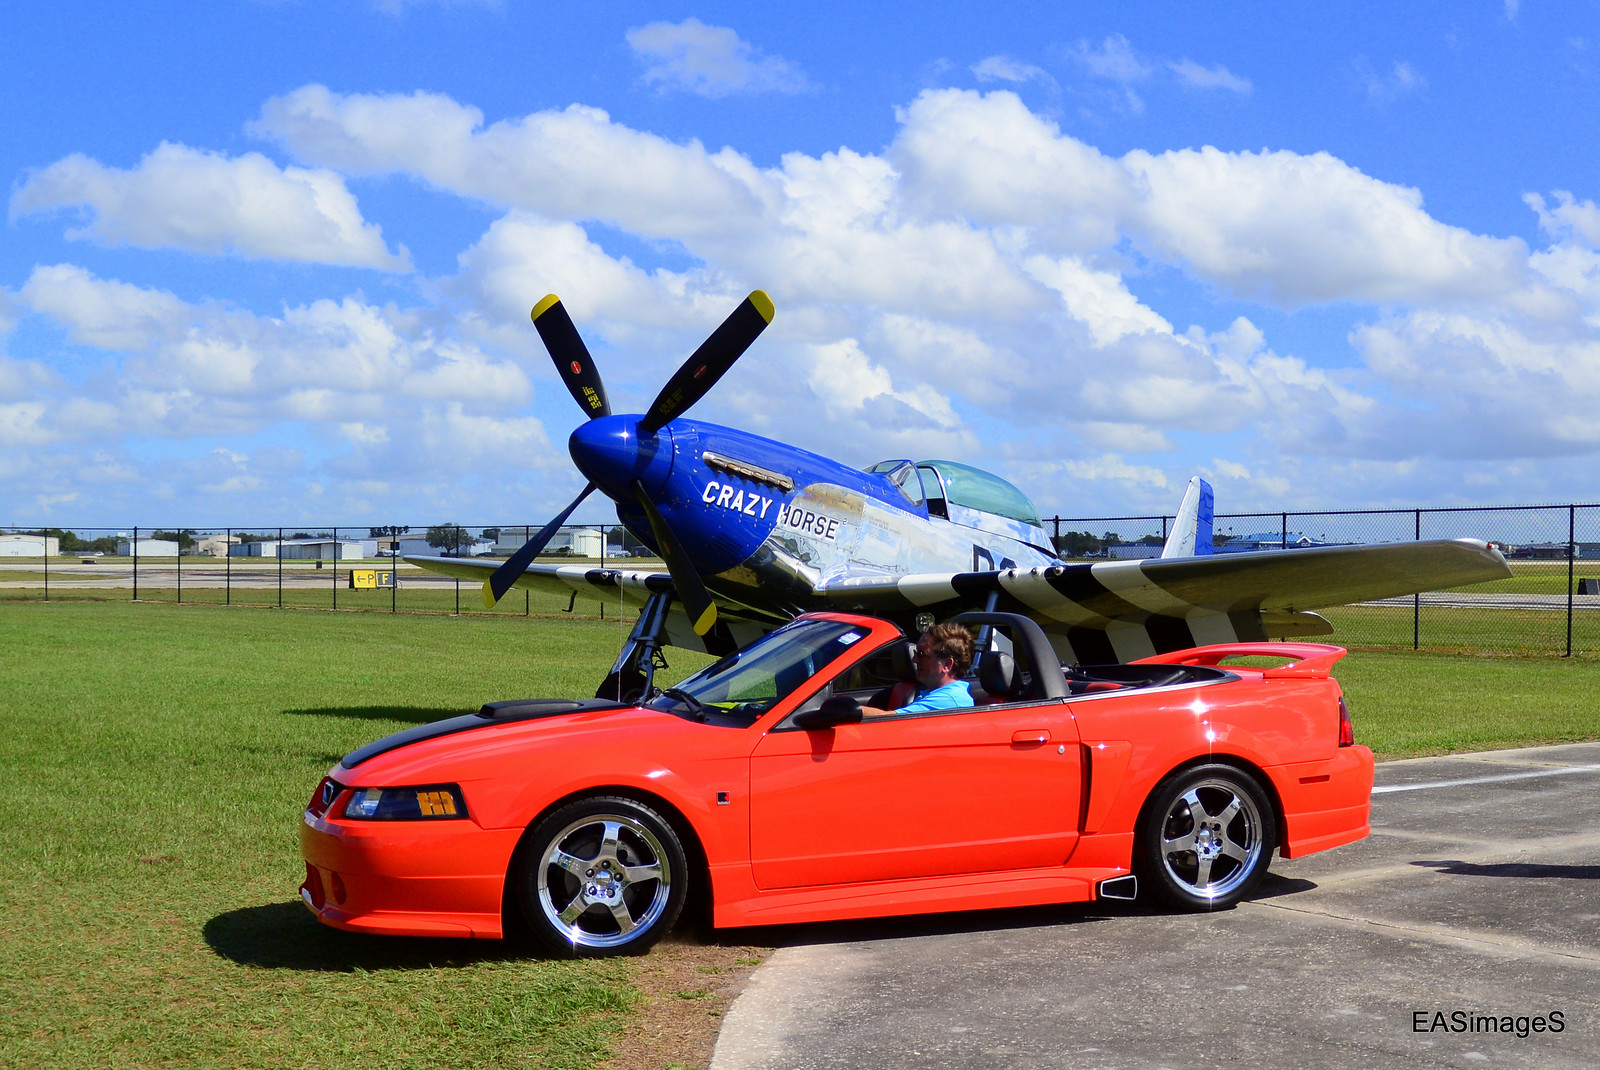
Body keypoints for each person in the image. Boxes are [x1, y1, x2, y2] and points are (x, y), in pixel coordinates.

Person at [861, 622, 976, 716]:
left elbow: (892, 720)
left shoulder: (949, 699)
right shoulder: (933, 692)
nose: (914, 659)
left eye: (922, 654)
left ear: (947, 664)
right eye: (916, 652)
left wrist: (853, 710)